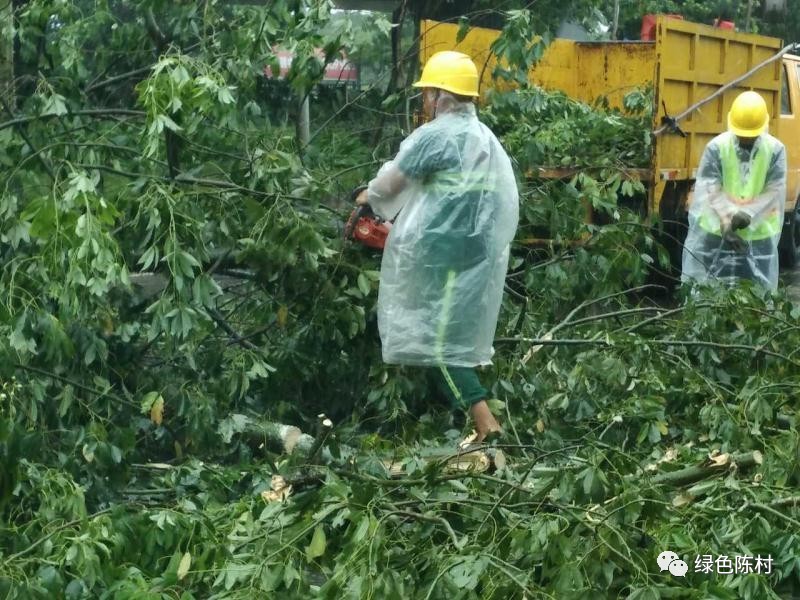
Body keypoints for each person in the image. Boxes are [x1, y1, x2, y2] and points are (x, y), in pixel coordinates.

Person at [355, 51, 519, 442]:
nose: (426, 99)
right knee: (450, 332)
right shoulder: (485, 139)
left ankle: (485, 424)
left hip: (439, 251)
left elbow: (391, 185)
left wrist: (366, 197)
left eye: (428, 92)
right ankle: (463, 418)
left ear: (439, 94)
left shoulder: (436, 135)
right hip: (474, 250)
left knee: (438, 343)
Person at [682, 90, 787, 290]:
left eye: (751, 136)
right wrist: (725, 221)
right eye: (741, 135)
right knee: (711, 294)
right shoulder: (717, 147)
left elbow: (775, 189)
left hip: (759, 238)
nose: (745, 140)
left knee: (755, 299)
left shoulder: (775, 150)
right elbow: (709, 187)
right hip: (715, 234)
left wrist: (748, 213)